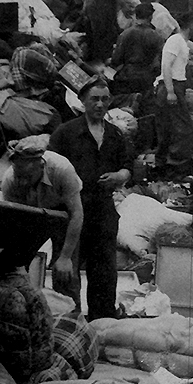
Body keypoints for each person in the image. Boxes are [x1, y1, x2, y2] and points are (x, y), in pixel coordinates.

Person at [49, 77, 132, 320]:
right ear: (83, 101)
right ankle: (67, 323)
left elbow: (128, 166)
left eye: (105, 99)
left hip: (103, 212)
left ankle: (102, 324)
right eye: (94, 99)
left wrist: (120, 175)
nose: (100, 104)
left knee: (104, 273)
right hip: (70, 211)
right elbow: (51, 167)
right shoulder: (66, 133)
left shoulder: (115, 135)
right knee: (67, 272)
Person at [1, 135, 84, 310]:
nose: (22, 181)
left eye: (28, 176)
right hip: (29, 214)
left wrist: (65, 257)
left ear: (41, 165)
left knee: (65, 272)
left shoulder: (62, 169)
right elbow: (13, 222)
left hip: (64, 212)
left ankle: (69, 317)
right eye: (19, 175)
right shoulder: (10, 180)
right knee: (16, 269)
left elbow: (76, 214)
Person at [153, 11, 193, 178]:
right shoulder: (175, 40)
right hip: (171, 86)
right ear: (191, 24)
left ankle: (163, 167)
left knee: (168, 128)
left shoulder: (182, 42)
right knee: (181, 130)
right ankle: (174, 169)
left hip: (176, 86)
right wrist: (170, 91)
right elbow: (166, 66)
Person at [111, 2, 164, 95]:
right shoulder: (157, 37)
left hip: (126, 78)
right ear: (150, 17)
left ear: (136, 15)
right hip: (146, 80)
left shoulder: (125, 34)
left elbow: (116, 59)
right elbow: (158, 63)